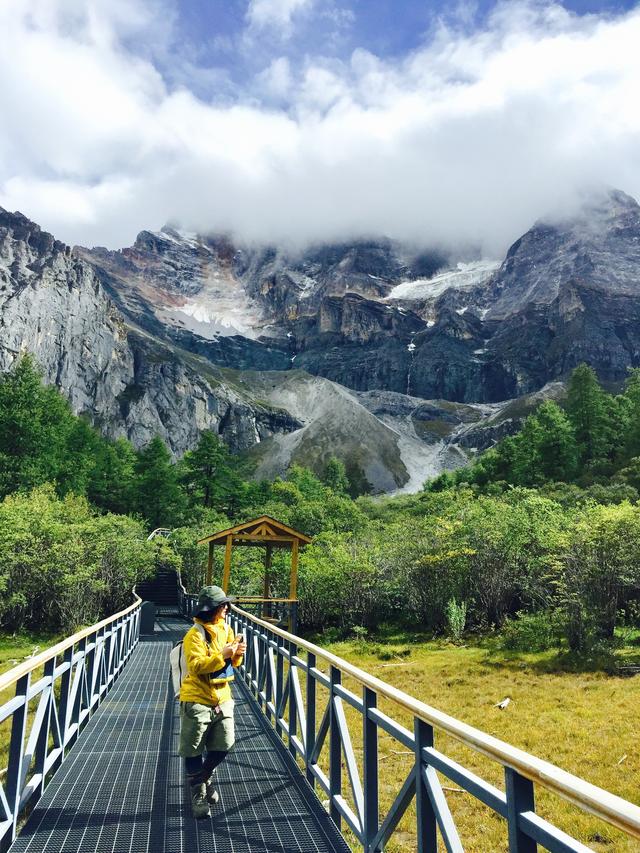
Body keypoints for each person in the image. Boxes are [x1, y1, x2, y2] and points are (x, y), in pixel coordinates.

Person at [178, 585, 247, 818]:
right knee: (193, 748)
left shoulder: (226, 628)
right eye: (223, 605)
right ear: (213, 609)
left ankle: (202, 778)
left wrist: (237, 654)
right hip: (196, 696)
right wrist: (224, 655)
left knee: (225, 743)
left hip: (222, 696)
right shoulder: (194, 635)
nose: (228, 608)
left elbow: (232, 665)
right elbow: (196, 667)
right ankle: (199, 793)